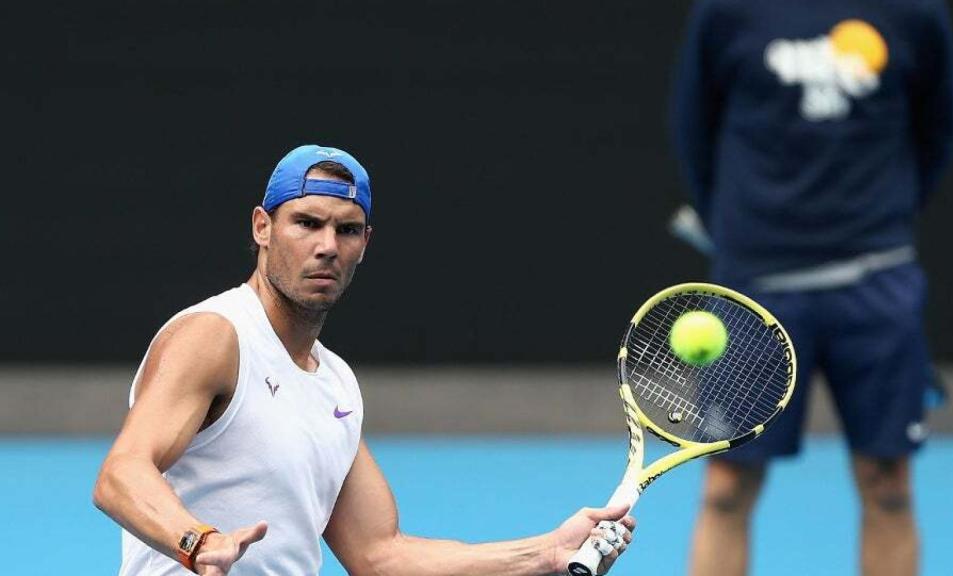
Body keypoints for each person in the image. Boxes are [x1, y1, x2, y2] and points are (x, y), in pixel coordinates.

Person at [93, 144, 635, 575]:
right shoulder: (215, 336)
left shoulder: (336, 385)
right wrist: (198, 543)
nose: (327, 244)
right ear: (263, 227)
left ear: (365, 243)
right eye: (307, 223)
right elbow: (121, 474)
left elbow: (381, 556)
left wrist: (543, 554)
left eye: (346, 229)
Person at [671, 1, 953, 575]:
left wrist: (879, 222)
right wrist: (746, 236)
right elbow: (692, 128)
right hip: (754, 290)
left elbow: (940, 129)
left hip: (876, 284)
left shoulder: (916, 12)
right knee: (726, 489)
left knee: (889, 486)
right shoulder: (725, 12)